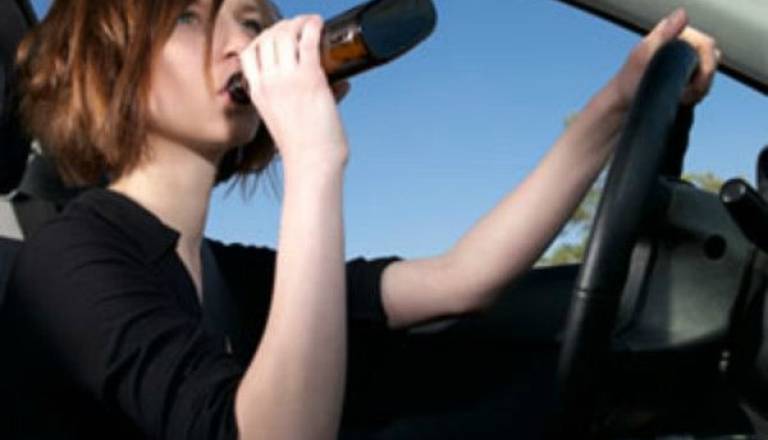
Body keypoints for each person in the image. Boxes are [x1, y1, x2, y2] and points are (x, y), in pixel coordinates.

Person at [0, 0, 719, 438]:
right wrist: (314, 158)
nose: (238, 41)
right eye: (188, 16)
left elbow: (461, 280)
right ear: (106, 63)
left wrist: (615, 104)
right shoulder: (70, 258)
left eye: (251, 21)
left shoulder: (222, 270)